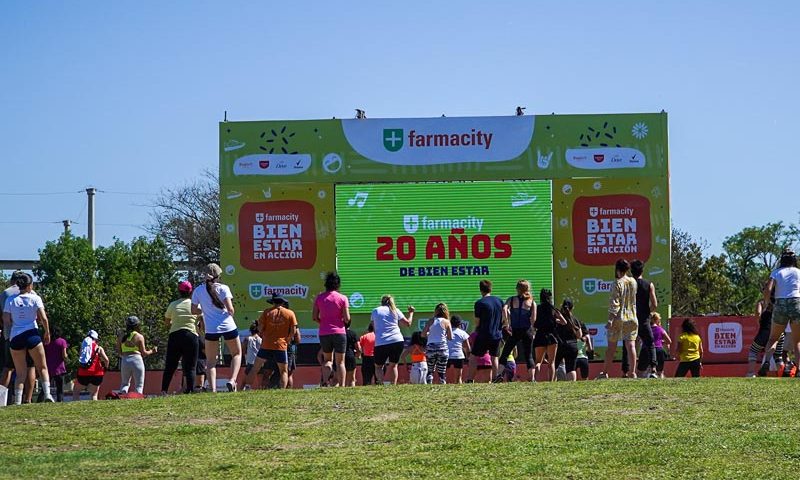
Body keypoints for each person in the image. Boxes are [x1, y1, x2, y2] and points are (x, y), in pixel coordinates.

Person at [2, 272, 55, 404]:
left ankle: (18, 401)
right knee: (42, 366)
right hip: (32, 334)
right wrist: (47, 332)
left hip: (16, 336)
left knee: (20, 373)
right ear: (30, 285)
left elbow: (6, 320)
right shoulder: (35, 298)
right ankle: (48, 394)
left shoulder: (10, 300)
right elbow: (43, 318)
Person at [191, 263, 242, 393]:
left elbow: (193, 310)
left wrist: (204, 311)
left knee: (211, 361)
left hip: (211, 329)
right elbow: (230, 309)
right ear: (218, 276)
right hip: (228, 326)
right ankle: (232, 380)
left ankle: (212, 389)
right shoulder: (224, 288)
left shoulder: (198, 290)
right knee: (236, 353)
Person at [760, 249, 800, 376]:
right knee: (797, 341)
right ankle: (799, 369)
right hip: (796, 303)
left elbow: (768, 289)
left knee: (773, 339)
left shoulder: (776, 272)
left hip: (780, 304)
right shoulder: (798, 272)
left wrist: (767, 303)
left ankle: (766, 361)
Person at [245, 294, 297, 389]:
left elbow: (260, 328)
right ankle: (282, 390)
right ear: (282, 302)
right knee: (284, 371)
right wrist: (287, 340)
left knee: (255, 368)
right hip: (281, 345)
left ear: (273, 302)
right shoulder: (290, 313)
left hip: (266, 345)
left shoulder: (266, 312)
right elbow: (293, 331)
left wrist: (264, 334)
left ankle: (247, 386)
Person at [598, 259, 639, 379]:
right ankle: (632, 372)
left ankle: (605, 372)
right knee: (631, 345)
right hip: (632, 317)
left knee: (611, 347)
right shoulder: (633, 281)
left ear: (617, 269)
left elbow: (615, 303)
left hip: (618, 318)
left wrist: (610, 319)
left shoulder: (617, 283)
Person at [1, 271, 36, 404]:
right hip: (29, 334)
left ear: (12, 280)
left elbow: (3, 316)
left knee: (8, 367)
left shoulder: (5, 294)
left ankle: (1, 401)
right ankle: (27, 399)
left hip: (10, 335)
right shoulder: (32, 293)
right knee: (30, 367)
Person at [621, 260, 659, 378]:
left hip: (630, 318)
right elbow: (654, 304)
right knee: (650, 344)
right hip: (643, 319)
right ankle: (653, 369)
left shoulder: (627, 284)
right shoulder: (649, 284)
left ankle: (625, 372)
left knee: (627, 345)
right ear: (642, 270)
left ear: (631, 271)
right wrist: (649, 312)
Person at [161, 281, 200, 395]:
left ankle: (164, 390)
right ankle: (190, 390)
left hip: (175, 336)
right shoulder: (195, 305)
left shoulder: (173, 305)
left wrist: (174, 323)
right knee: (191, 367)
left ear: (179, 291)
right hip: (191, 336)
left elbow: (167, 323)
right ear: (191, 292)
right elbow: (201, 319)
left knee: (170, 365)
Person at [313, 272, 350, 387]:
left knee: (328, 360)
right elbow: (347, 318)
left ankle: (325, 382)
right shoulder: (343, 298)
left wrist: (323, 323)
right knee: (340, 362)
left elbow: (314, 317)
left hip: (324, 332)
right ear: (338, 285)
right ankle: (342, 385)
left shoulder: (319, 298)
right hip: (339, 332)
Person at [495, 280, 536, 382]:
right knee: (529, 355)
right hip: (527, 330)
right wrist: (532, 329)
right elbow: (533, 319)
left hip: (516, 330)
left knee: (505, 353)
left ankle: (499, 375)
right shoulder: (532, 302)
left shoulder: (511, 300)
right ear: (528, 289)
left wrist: (507, 321)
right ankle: (532, 378)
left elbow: (504, 309)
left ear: (517, 289)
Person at [372, 294, 414, 385]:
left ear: (381, 302)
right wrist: (411, 313)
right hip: (397, 340)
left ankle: (381, 384)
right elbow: (408, 323)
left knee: (378, 366)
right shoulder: (396, 310)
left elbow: (374, 327)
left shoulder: (375, 311)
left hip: (381, 341)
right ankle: (393, 385)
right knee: (394, 365)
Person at [466, 280, 504, 382]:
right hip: (497, 334)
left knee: (474, 356)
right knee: (494, 356)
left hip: (484, 333)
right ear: (491, 288)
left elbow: (477, 322)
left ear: (480, 290)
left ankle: (470, 379)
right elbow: (504, 316)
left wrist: (475, 330)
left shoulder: (479, 303)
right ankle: (496, 377)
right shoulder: (499, 301)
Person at [117, 315, 157, 395]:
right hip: (137, 360)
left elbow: (119, 352)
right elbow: (144, 353)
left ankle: (121, 397)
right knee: (139, 385)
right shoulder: (139, 336)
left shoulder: (121, 337)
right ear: (137, 325)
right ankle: (137, 400)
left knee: (125, 383)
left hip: (125, 360)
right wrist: (152, 351)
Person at [747, 293, 784, 377]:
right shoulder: (780, 302)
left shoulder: (762, 302)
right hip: (780, 332)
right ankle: (781, 374)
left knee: (753, 351)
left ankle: (751, 373)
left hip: (765, 332)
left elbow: (758, 313)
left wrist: (758, 320)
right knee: (778, 355)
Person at [532, 289, 563, 382]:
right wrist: (555, 321)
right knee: (551, 362)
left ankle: (535, 379)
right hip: (551, 336)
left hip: (540, 335)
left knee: (538, 362)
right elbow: (564, 322)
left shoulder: (537, 308)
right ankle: (551, 381)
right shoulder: (553, 308)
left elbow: (533, 322)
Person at [73, 330, 109, 401]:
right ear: (96, 339)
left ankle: (76, 408)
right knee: (94, 394)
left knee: (76, 391)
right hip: (97, 374)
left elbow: (81, 359)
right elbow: (106, 360)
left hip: (83, 374)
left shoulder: (83, 347)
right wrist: (105, 368)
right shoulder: (99, 348)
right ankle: (94, 409)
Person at [422, 303, 453, 385]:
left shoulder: (431, 321)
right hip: (442, 347)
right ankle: (442, 379)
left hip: (431, 347)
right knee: (442, 369)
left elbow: (423, 334)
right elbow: (450, 337)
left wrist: (429, 334)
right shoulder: (447, 322)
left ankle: (429, 379)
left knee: (430, 367)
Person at [554, 298, 582, 382]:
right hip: (572, 346)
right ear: (572, 308)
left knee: (553, 366)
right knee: (571, 368)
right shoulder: (575, 320)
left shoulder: (558, 320)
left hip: (560, 345)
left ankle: (551, 383)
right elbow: (579, 335)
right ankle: (572, 386)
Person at [40, 327, 68, 402]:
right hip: (59, 368)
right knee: (59, 388)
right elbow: (64, 355)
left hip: (48, 367)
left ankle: (40, 400)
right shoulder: (62, 341)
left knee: (45, 387)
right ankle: (60, 401)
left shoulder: (46, 342)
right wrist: (67, 359)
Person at [446, 315, 471, 384]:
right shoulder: (463, 333)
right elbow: (468, 348)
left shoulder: (446, 332)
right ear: (460, 324)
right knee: (458, 378)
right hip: (458, 356)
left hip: (447, 355)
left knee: (444, 378)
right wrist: (468, 357)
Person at [241, 321, 262, 390]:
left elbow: (243, 351)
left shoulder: (247, 339)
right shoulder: (261, 340)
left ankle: (241, 391)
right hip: (260, 361)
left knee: (244, 381)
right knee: (260, 381)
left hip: (250, 361)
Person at [650, 313, 671, 378]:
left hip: (649, 350)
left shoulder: (647, 329)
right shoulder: (660, 329)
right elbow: (669, 341)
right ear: (657, 320)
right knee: (660, 370)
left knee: (649, 369)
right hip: (659, 349)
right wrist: (661, 342)